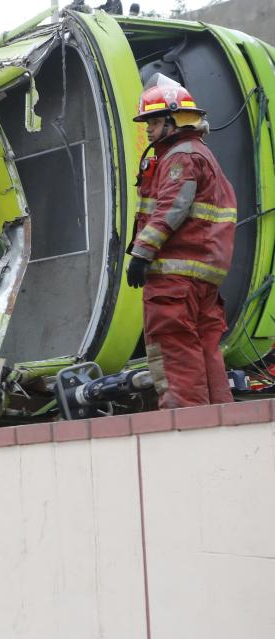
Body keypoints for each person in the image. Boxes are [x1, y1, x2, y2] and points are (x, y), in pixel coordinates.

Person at [127, 74, 237, 409]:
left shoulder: (180, 157)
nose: (148, 130)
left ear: (173, 121)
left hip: (174, 276)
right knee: (205, 349)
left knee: (173, 346)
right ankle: (221, 421)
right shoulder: (200, 153)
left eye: (154, 122)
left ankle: (186, 426)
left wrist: (141, 254)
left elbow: (171, 209)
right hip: (200, 276)